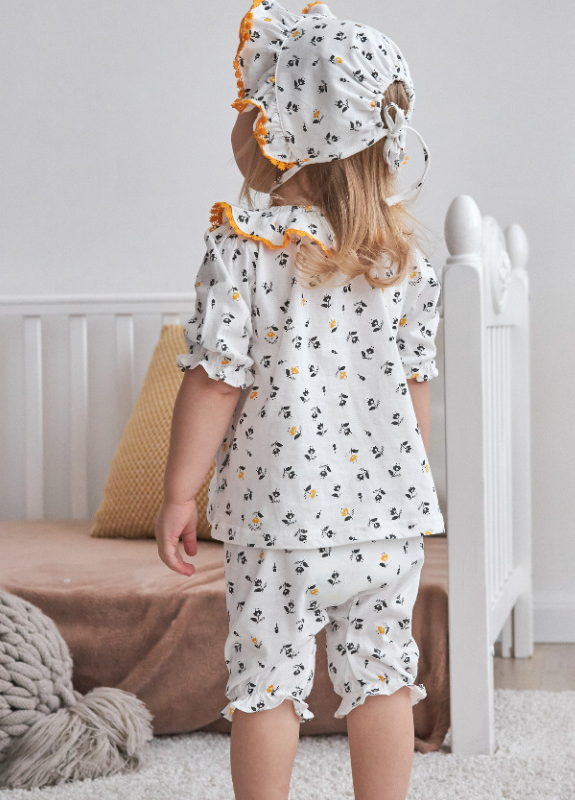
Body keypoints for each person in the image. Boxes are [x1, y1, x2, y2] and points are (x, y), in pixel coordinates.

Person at [155, 2, 444, 798]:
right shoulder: (406, 263)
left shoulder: (246, 251)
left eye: (253, 107)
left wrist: (179, 494)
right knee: (383, 678)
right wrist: (403, 486)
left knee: (267, 685)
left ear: (288, 131)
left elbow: (215, 379)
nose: (241, 124)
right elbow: (414, 394)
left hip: (278, 518)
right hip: (386, 517)